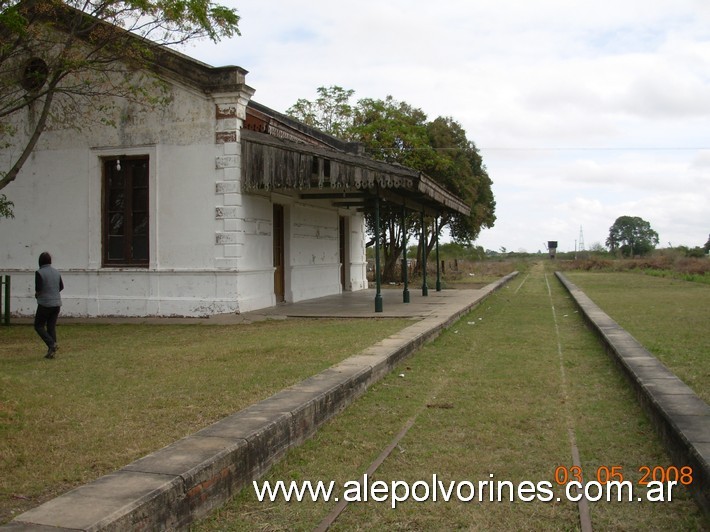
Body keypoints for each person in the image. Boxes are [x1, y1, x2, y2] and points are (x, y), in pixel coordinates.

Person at [34, 252, 64, 359]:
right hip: (56, 303)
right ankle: (52, 351)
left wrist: (37, 295)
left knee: (38, 325)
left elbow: (38, 288)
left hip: (45, 303)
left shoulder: (39, 272)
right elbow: (61, 287)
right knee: (51, 327)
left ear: (40, 261)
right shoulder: (56, 272)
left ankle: (52, 344)